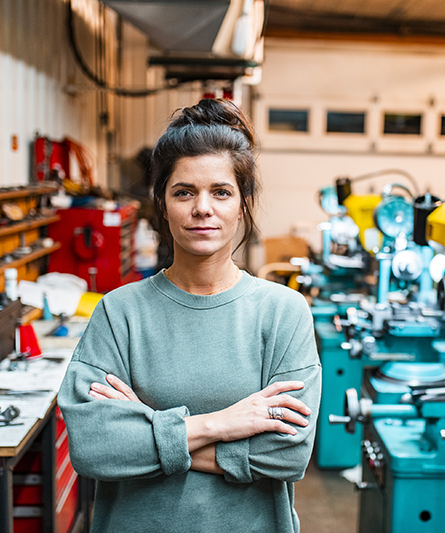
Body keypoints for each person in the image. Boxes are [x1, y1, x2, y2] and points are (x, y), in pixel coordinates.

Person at [57, 98, 322, 533]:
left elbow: (288, 454)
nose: (203, 208)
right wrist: (223, 423)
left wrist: (147, 429)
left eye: (221, 191)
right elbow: (95, 448)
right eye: (184, 192)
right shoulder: (119, 312)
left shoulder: (282, 312)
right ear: (161, 201)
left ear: (243, 202)